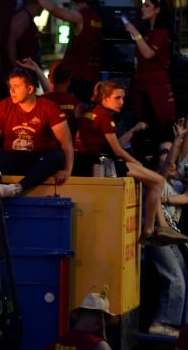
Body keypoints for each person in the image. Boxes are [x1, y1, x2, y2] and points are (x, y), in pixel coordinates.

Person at [72, 80, 171, 244]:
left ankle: (160, 226)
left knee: (154, 180)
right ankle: (150, 231)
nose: (122, 102)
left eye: (123, 98)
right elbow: (117, 150)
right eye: (117, 98)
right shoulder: (104, 117)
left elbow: (115, 145)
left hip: (93, 163)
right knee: (158, 180)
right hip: (99, 165)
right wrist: (137, 164)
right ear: (105, 97)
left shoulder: (91, 111)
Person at [0, 66, 72, 198]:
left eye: (16, 86)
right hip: (13, 156)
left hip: (38, 159)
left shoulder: (49, 108)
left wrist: (67, 170)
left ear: (30, 89)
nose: (11, 90)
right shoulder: (4, 106)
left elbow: (66, 142)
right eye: (10, 86)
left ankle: (17, 188)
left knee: (56, 156)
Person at [31, 0, 103, 103]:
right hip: (94, 76)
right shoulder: (96, 17)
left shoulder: (79, 17)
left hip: (77, 79)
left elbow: (52, 9)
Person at [123, 0, 176, 146]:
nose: (142, 9)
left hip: (155, 92)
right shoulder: (150, 33)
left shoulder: (161, 33)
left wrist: (134, 33)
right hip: (143, 88)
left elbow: (148, 53)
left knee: (155, 130)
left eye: (147, 6)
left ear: (157, 10)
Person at [7, 0, 46, 69]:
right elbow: (10, 43)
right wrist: (16, 68)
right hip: (23, 73)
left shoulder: (27, 18)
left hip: (28, 71)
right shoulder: (23, 17)